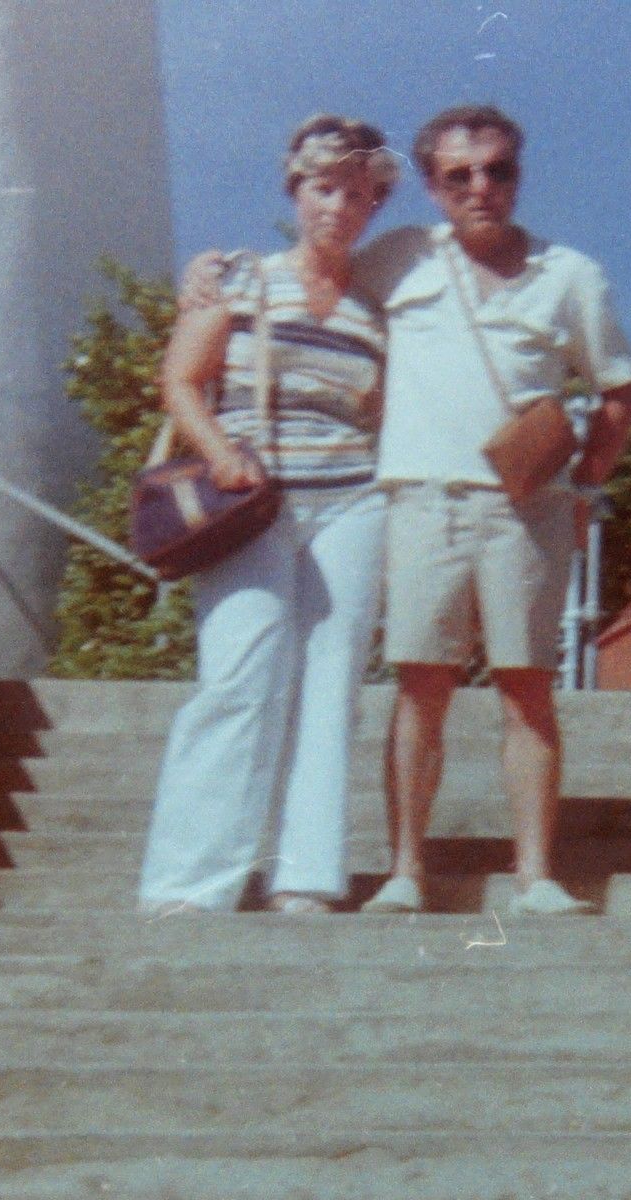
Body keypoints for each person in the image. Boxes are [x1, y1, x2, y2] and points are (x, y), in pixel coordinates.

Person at [183, 103, 631, 914]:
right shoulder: (398, 256)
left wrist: (583, 486)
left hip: (523, 506)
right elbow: (309, 270)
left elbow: (620, 393)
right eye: (459, 174)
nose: (481, 187)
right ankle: (404, 873)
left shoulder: (571, 274)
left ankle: (537, 877)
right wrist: (209, 274)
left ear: (518, 175)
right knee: (419, 687)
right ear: (430, 187)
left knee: (526, 689)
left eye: (498, 169)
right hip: (417, 500)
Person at [138, 115, 396, 917]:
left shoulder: (377, 305)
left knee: (331, 685)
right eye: (325, 189)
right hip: (252, 503)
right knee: (240, 676)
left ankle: (306, 876)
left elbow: (384, 410)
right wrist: (219, 452)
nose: (340, 207)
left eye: (358, 194)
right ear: (295, 190)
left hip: (355, 501)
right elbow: (181, 380)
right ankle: (189, 882)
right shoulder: (242, 278)